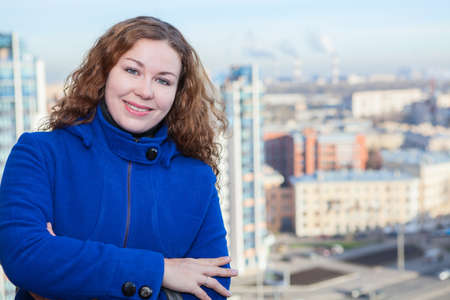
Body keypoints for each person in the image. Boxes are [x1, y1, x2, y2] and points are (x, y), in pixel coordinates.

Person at [0, 16, 237, 300]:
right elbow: (24, 257)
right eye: (132, 71)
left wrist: (61, 280)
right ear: (105, 72)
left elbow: (214, 290)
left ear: (178, 93)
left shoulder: (196, 176)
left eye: (163, 80)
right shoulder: (40, 154)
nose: (145, 91)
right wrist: (161, 271)